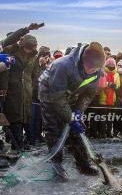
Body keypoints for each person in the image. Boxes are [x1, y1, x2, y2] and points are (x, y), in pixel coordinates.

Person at [38, 41, 105, 176]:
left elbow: (88, 94)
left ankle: (83, 165)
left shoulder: (97, 71)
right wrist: (70, 117)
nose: (93, 72)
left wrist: (78, 112)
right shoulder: (63, 65)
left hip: (72, 94)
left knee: (77, 131)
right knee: (53, 130)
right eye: (90, 68)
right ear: (83, 61)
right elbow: (58, 98)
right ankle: (56, 165)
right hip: (50, 94)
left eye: (95, 70)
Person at [0, 35, 40, 151]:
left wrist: (32, 86)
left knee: (25, 117)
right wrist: (3, 86)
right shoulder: (10, 51)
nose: (28, 50)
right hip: (12, 89)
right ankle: (16, 143)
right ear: (22, 45)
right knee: (14, 116)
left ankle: (22, 141)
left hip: (27, 90)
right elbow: (3, 70)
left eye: (30, 48)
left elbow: (35, 75)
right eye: (26, 47)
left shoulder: (34, 57)